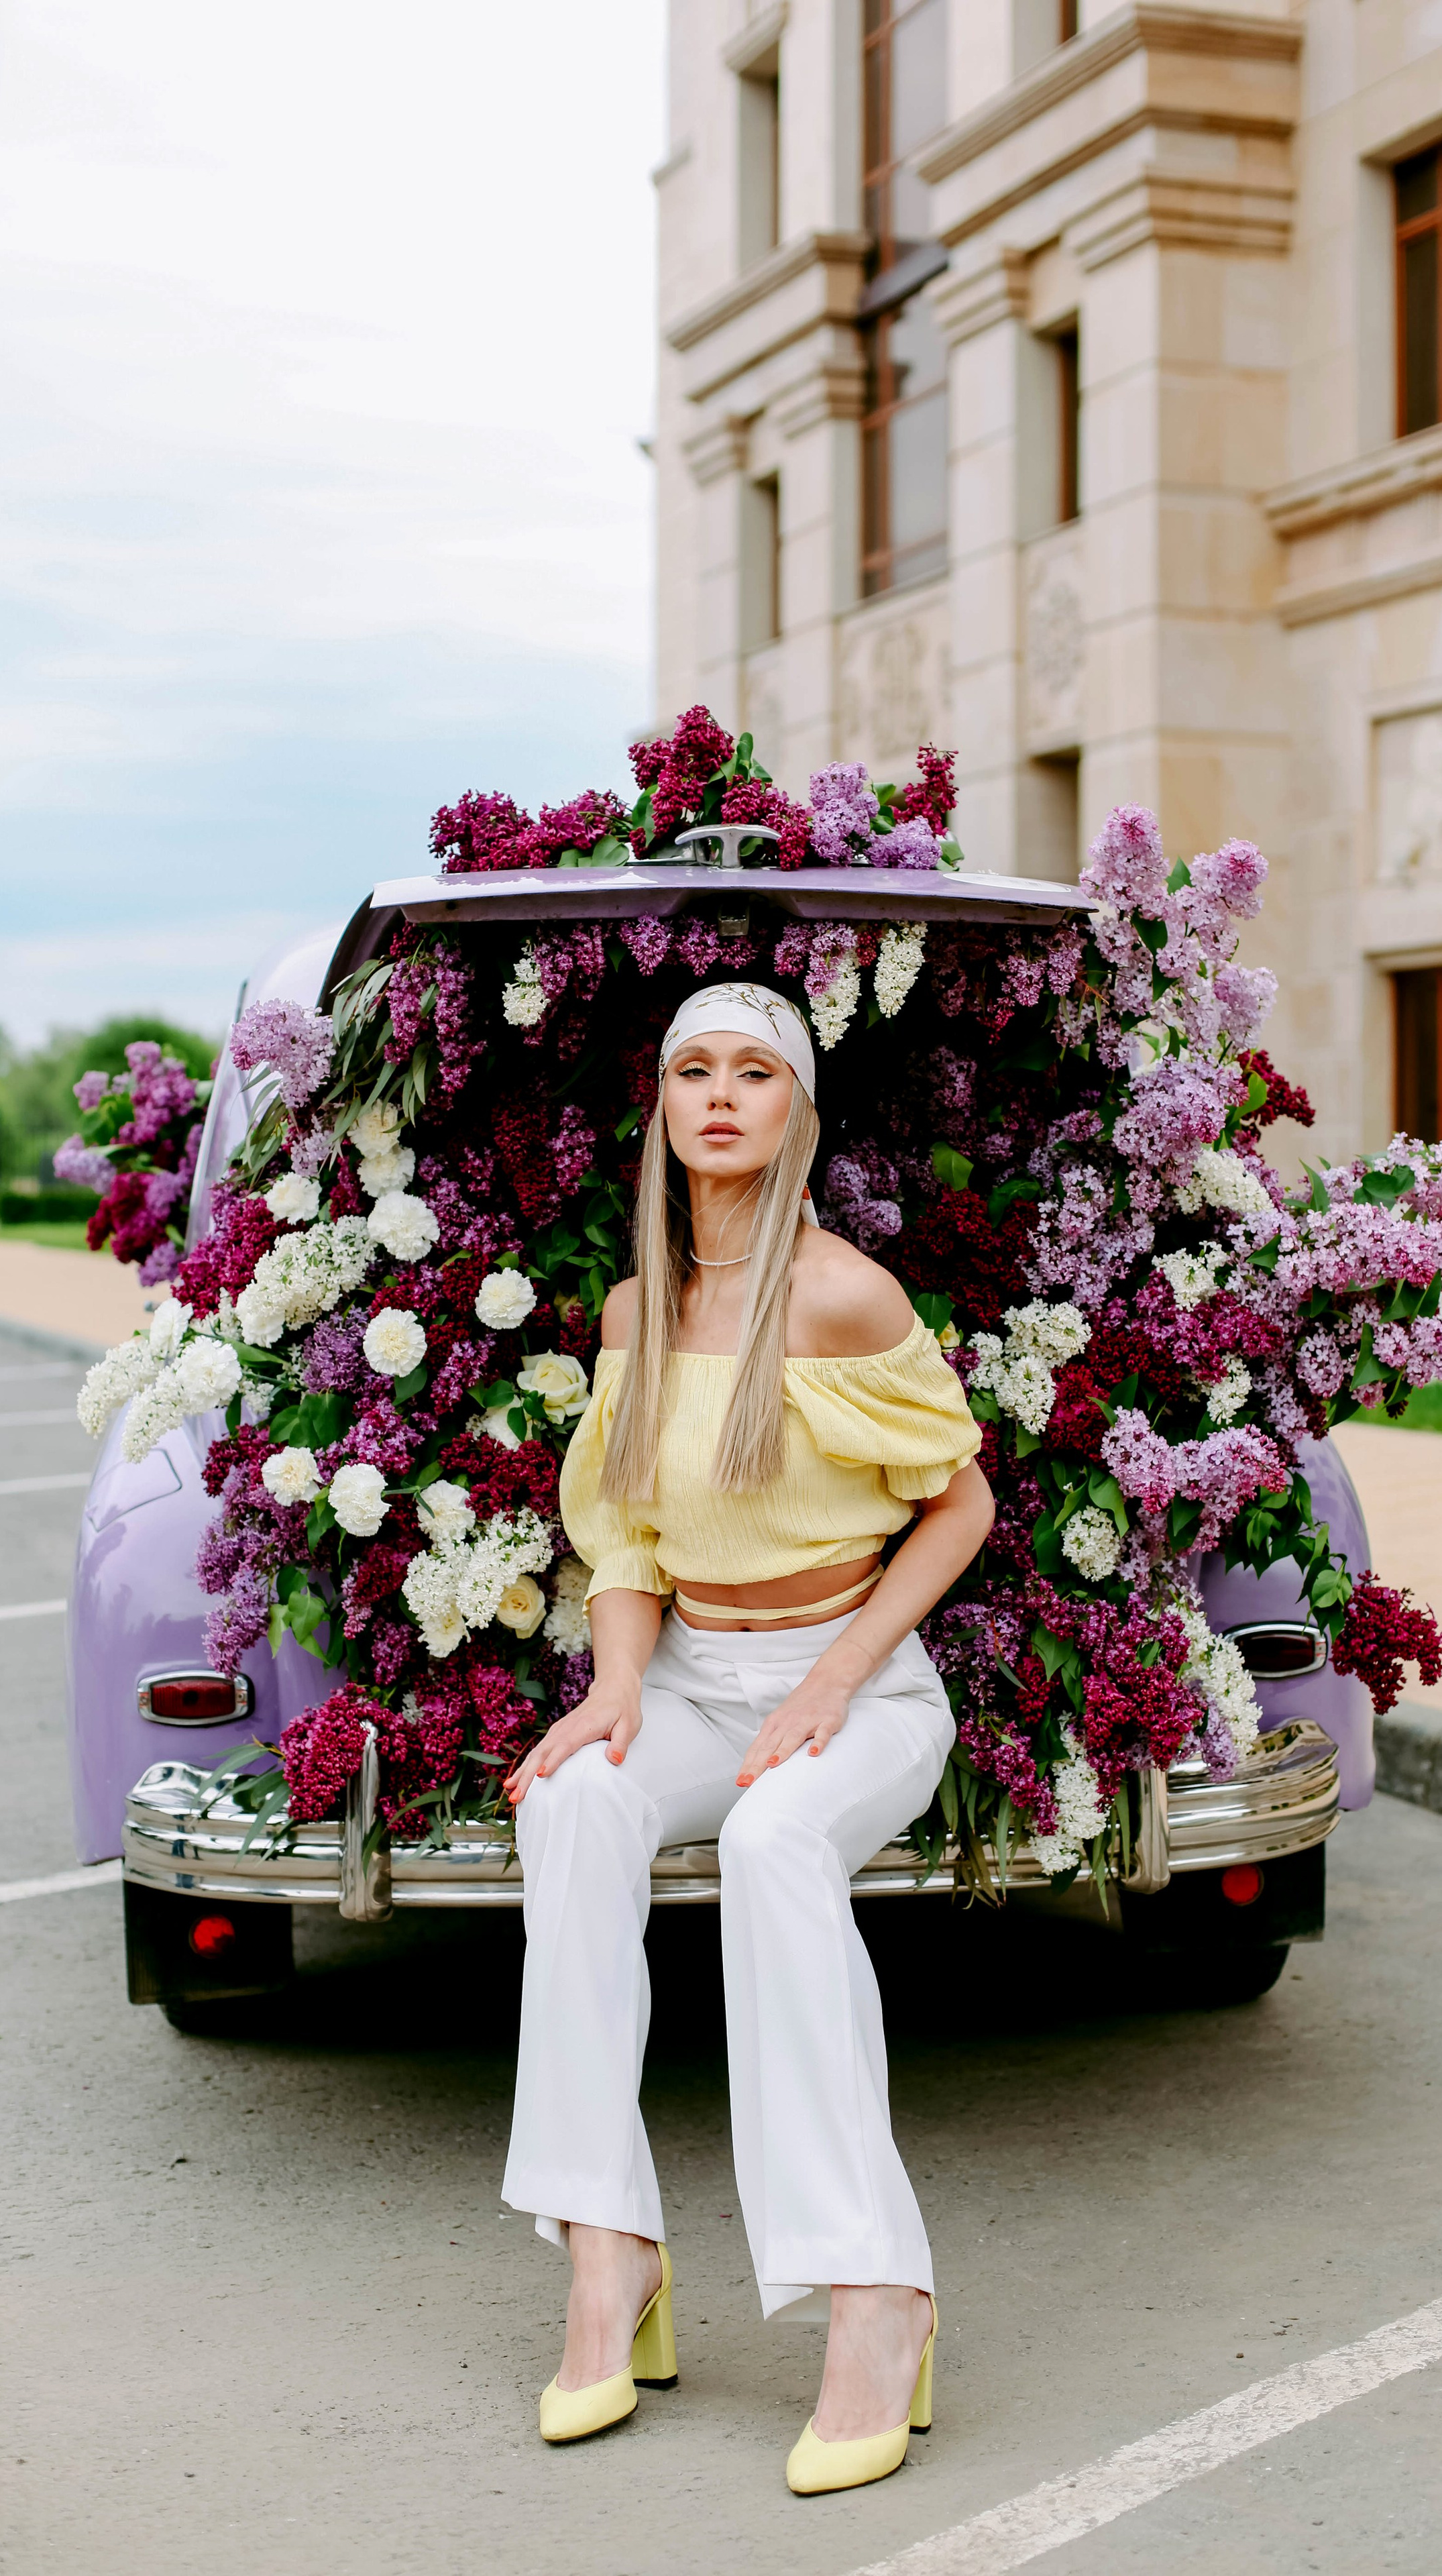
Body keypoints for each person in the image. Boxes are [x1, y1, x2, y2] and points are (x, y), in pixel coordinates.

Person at [501, 979, 994, 2493]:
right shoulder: (641, 1311)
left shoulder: (842, 1294)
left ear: (795, 1111)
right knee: (570, 1806)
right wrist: (612, 1691)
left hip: (856, 1688)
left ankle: (876, 2295)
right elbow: (631, 1537)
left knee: (778, 1838)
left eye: (754, 1073)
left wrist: (839, 1679)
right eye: (692, 1070)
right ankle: (610, 2258)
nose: (720, 1094)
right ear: (661, 1105)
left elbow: (958, 1499)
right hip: (697, 1679)